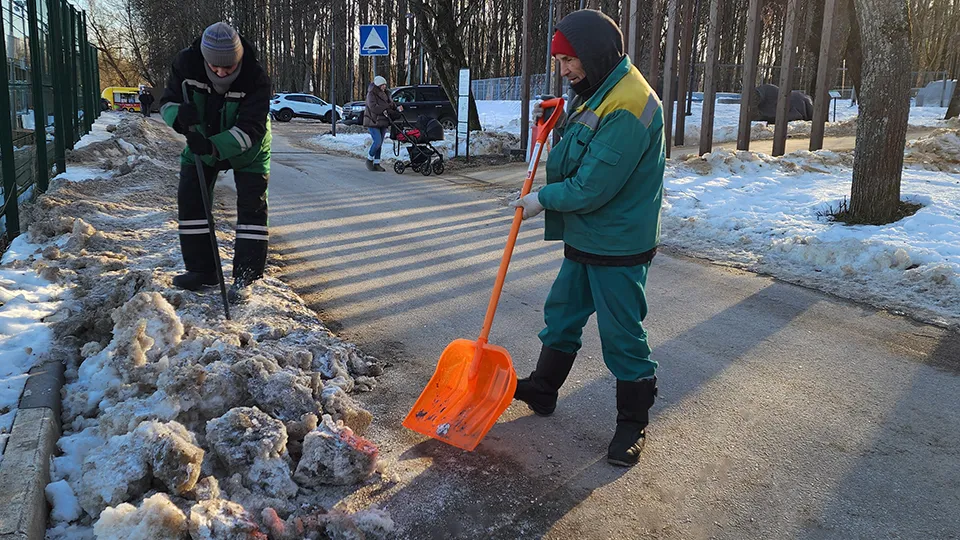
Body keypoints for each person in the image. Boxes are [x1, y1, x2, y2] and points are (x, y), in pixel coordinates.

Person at [508, 9, 665, 467]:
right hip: (586, 235)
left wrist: (544, 198)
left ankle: (632, 426)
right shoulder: (597, 88)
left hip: (617, 243)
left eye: (567, 61)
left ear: (593, 54)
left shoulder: (631, 102)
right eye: (560, 62)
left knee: (621, 335)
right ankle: (543, 389)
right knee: (562, 313)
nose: (563, 71)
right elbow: (582, 149)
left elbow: (593, 187)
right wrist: (554, 128)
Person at [158, 21, 272, 303]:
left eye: (229, 68)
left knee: (252, 210)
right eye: (215, 67)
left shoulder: (256, 78)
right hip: (200, 140)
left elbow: (251, 130)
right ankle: (202, 270)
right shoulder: (187, 64)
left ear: (239, 60)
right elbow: (166, 102)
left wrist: (213, 145)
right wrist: (179, 117)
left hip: (249, 149)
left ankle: (245, 277)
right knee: (191, 200)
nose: (222, 72)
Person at [363, 75, 402, 171]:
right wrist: (386, 107)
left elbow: (391, 105)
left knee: (380, 144)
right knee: (377, 142)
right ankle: (369, 159)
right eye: (382, 85)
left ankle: (377, 163)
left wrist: (397, 108)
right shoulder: (371, 94)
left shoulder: (387, 94)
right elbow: (374, 107)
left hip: (384, 121)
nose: (384, 86)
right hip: (373, 121)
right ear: (378, 85)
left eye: (385, 84)